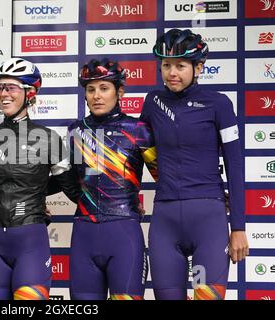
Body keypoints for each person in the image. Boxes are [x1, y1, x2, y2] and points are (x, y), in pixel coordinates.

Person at [140, 28, 249, 300]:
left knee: (205, 297)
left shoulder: (219, 104)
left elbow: (235, 166)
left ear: (198, 67)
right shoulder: (153, 101)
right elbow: (140, 151)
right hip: (165, 221)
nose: (171, 72)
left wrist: (238, 227)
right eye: (166, 65)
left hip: (207, 222)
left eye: (180, 65)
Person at [0, 58, 79, 300]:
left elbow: (72, 189)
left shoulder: (49, 139)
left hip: (30, 239)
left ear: (30, 93)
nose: (3, 94)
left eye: (10, 87)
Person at [67, 58, 158, 300]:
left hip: (123, 233)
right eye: (90, 89)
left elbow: (164, 176)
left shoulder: (139, 130)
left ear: (120, 92)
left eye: (104, 88)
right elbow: (76, 180)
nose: (97, 95)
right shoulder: (75, 131)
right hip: (84, 233)